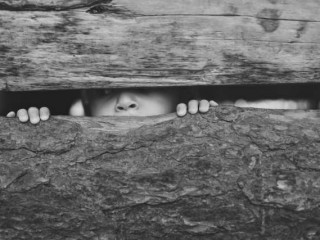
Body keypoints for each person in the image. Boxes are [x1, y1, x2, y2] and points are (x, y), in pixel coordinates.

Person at [6, 88, 218, 124]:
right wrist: (32, 128)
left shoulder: (191, 109)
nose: (124, 102)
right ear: (87, 101)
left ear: (181, 95)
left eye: (144, 87)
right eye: (105, 92)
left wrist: (202, 117)